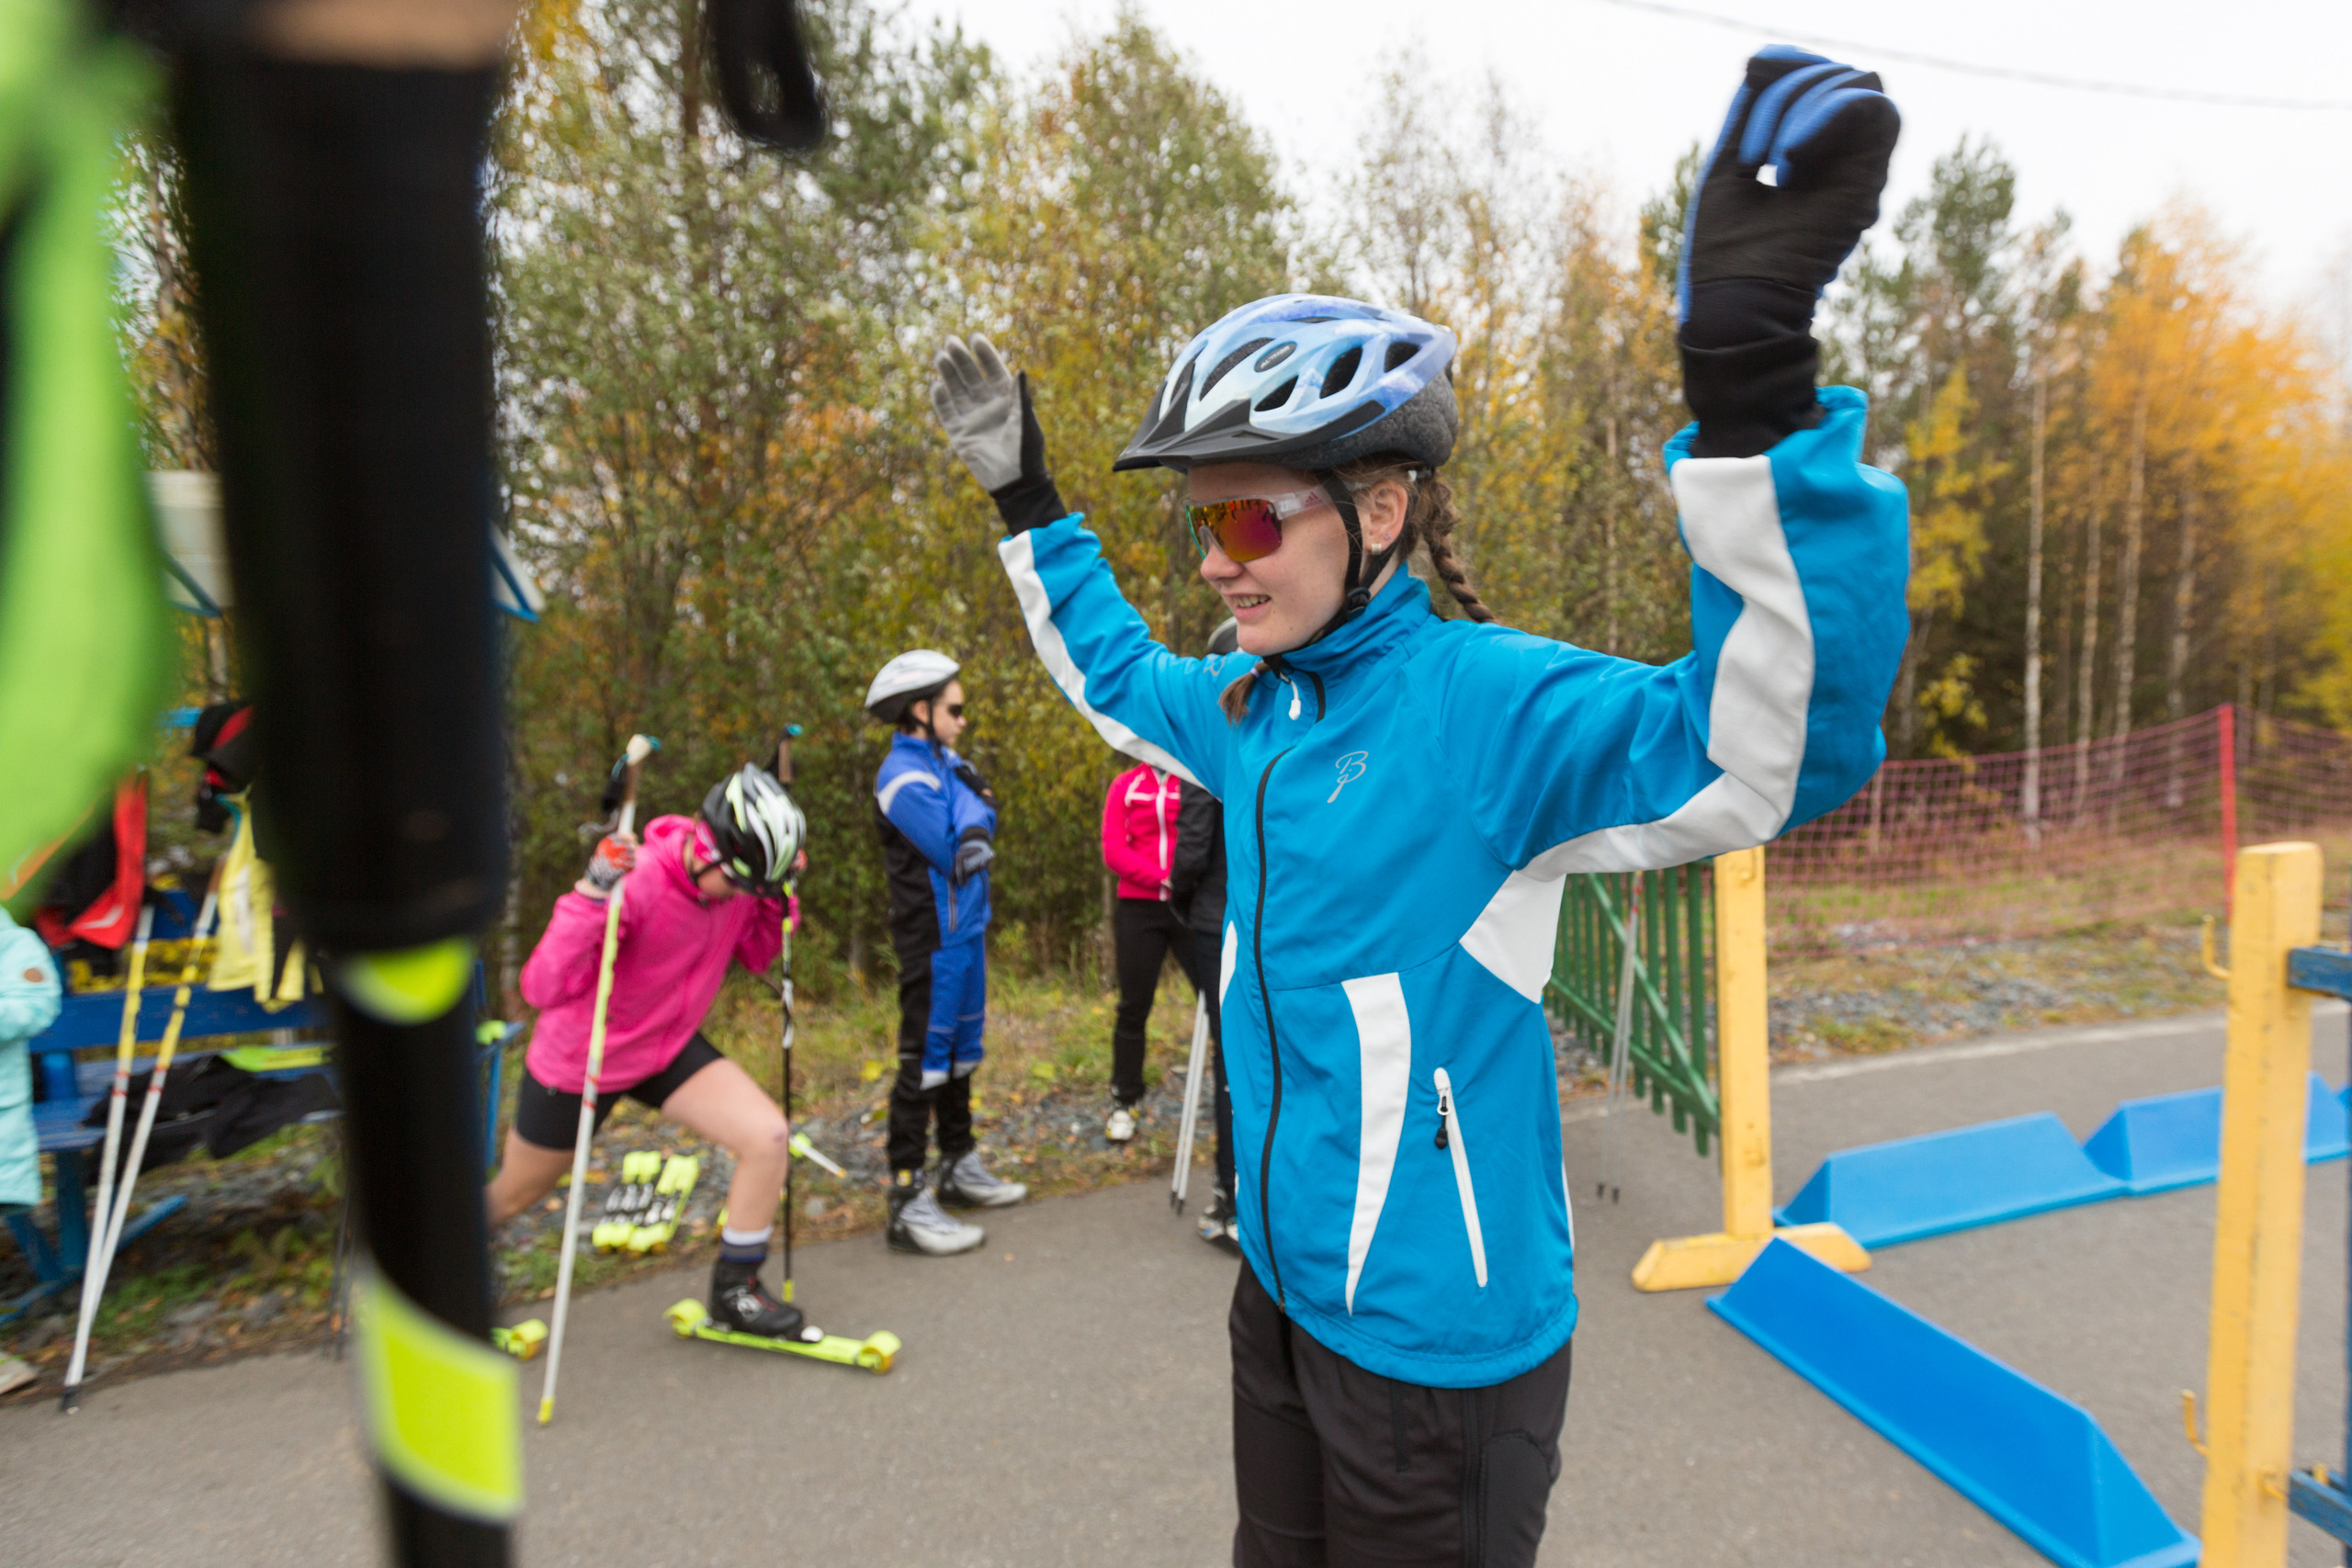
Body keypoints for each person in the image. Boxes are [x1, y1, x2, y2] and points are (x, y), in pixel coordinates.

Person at [929, 50, 1907, 1564]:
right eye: (1203, 521)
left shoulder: (1483, 712)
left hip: (1441, 1354)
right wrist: (1027, 502)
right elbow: (1115, 672)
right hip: (1282, 1289)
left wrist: (1752, 401)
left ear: (1378, 511)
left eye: (1251, 515)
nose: (1215, 562)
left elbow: (1764, 745)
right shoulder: (1254, 703)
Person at [487, 763, 813, 1338]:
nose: (741, 894)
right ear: (707, 850)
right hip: (582, 1060)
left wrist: (775, 897)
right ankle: (433, 1281)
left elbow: (759, 955)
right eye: (739, 882)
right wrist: (591, 895)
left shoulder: (737, 884)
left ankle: (736, 1292)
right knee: (516, 1194)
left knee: (766, 1137)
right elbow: (541, 988)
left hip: (665, 1046)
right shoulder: (636, 885)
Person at [866, 650, 1027, 1256]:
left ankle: (958, 1165)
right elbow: (955, 847)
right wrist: (974, 814)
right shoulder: (902, 778)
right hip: (931, 942)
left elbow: (983, 803)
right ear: (920, 709)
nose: (962, 721)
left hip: (967, 933)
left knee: (962, 1056)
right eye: (954, 709)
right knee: (925, 1061)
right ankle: (906, 1201)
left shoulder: (943, 761)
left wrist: (975, 811)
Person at [1098, 752, 1217, 1144]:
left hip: (1190, 907)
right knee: (1133, 1007)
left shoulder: (1195, 780)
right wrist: (1164, 879)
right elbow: (1114, 850)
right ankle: (1123, 1100)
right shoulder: (1126, 784)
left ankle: (1230, 1097)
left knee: (1216, 1002)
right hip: (1140, 909)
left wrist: (1181, 883)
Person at [1168, 617, 1239, 1249]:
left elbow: (1192, 846)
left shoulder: (1212, 745)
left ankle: (1234, 1199)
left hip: (1219, 924)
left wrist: (1176, 899)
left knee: (1234, 1063)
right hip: (1267, 922)